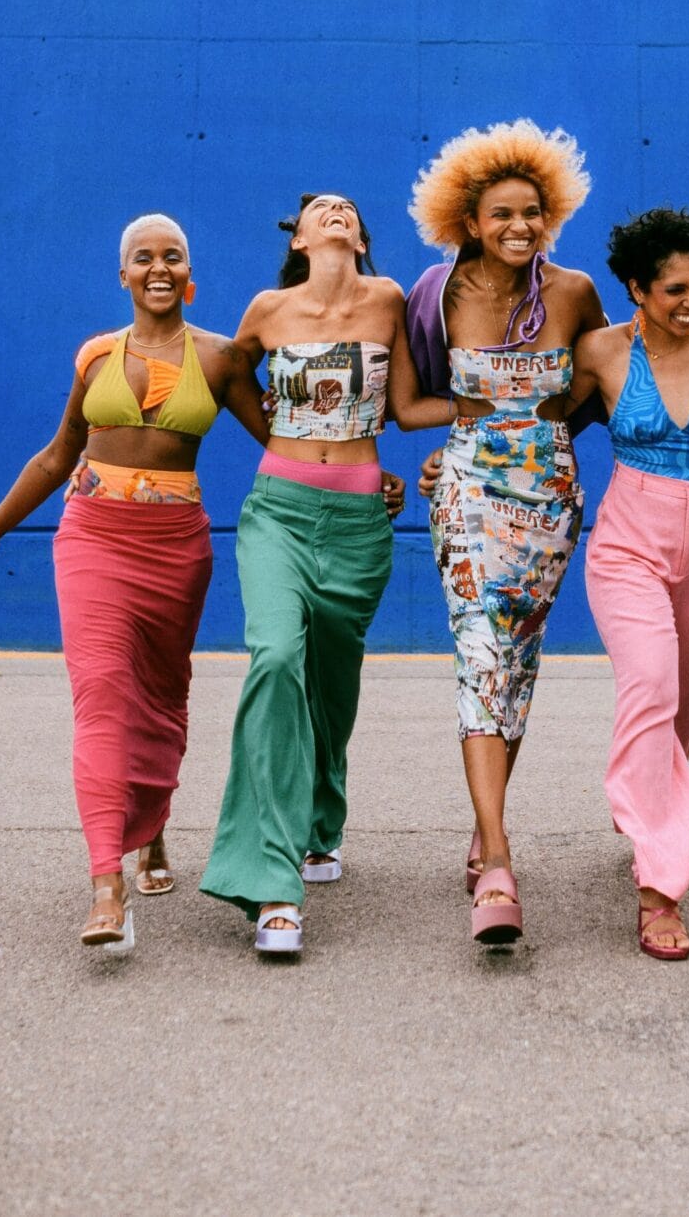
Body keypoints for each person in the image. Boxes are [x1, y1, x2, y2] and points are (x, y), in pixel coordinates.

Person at [0, 214, 273, 954]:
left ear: (189, 272)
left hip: (176, 550)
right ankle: (106, 882)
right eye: (141, 258)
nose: (157, 268)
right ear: (122, 274)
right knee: (100, 697)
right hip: (91, 536)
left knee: (161, 697)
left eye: (172, 256)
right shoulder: (96, 355)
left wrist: (363, 474)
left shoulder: (220, 359)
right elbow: (59, 453)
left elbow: (285, 443)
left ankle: (151, 830)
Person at [200, 193, 441, 957]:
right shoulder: (268, 309)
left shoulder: (389, 299)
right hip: (277, 511)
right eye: (320, 211)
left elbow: (402, 406)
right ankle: (271, 883)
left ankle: (320, 821)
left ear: (361, 237)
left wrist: (488, 405)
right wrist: (278, 436)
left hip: (360, 521)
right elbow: (231, 375)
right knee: (275, 659)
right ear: (299, 237)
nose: (335, 213)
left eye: (347, 210)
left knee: (332, 682)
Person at [406, 120, 604, 945]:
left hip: (550, 495)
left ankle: (483, 830)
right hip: (466, 491)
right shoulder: (435, 294)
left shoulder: (575, 292)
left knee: (515, 665)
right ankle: (497, 863)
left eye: (532, 214)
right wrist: (471, 419)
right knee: (481, 654)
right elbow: (410, 405)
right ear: (468, 220)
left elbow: (598, 391)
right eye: (501, 216)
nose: (519, 228)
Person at [569, 208, 689, 959]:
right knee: (650, 685)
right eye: (675, 289)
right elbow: (538, 421)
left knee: (679, 707)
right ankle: (659, 891)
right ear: (636, 288)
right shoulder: (600, 352)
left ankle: (645, 816)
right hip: (629, 537)